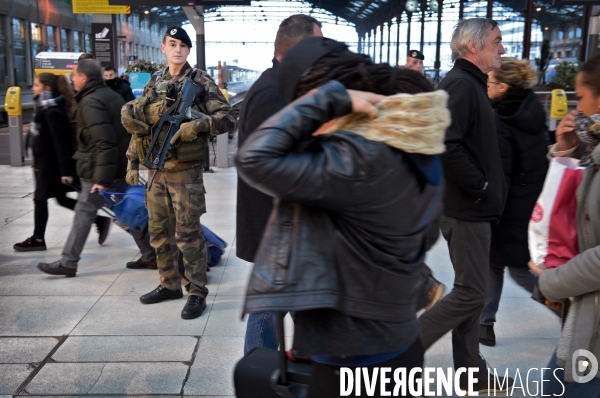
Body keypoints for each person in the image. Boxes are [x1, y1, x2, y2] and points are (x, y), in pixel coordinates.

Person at [237, 36, 447, 397]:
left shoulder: (356, 159)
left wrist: (328, 98)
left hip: (355, 363)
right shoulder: (414, 142)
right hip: (396, 343)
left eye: (302, 101)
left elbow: (253, 158)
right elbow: (426, 236)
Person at [417, 18, 512, 393]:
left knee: (471, 289)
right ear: (472, 47)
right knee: (472, 291)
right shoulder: (460, 85)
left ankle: (472, 372)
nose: (502, 49)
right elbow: (443, 140)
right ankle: (403, 348)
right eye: (496, 42)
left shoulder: (469, 84)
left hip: (473, 205)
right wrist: (480, 184)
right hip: (466, 206)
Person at [120, 26, 236, 319]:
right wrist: (132, 162)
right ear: (163, 48)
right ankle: (169, 283)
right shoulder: (155, 81)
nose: (177, 49)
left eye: (182, 45)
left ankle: (196, 292)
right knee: (159, 233)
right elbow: (141, 126)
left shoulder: (200, 81)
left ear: (188, 50)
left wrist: (198, 125)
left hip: (185, 174)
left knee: (188, 235)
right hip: (156, 170)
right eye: (172, 44)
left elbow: (228, 119)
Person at [237, 14, 322, 355]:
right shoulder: (273, 92)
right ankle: (257, 372)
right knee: (269, 309)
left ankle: (305, 366)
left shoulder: (287, 86)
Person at [36, 59, 153, 276]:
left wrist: (101, 178)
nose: (72, 79)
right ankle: (150, 254)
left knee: (84, 211)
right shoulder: (110, 95)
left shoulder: (91, 102)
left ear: (84, 77)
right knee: (125, 212)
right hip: (116, 166)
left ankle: (69, 261)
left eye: (75, 75)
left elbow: (104, 142)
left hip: (100, 170)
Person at [529, 54, 600, 397]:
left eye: (581, 97)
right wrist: (566, 153)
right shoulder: (594, 150)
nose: (578, 108)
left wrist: (551, 282)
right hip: (587, 315)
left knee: (558, 385)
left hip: (592, 326)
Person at [478, 57, 549, 347]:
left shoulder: (501, 120)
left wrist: (489, 205)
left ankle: (565, 306)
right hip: (532, 198)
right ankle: (485, 324)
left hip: (510, 206)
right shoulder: (531, 108)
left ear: (503, 86)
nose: (486, 87)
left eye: (489, 82)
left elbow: (501, 173)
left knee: (519, 269)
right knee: (494, 264)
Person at [13, 73, 98, 251]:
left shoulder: (52, 111)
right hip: (46, 163)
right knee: (59, 198)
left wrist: (66, 171)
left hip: (51, 165)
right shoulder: (45, 107)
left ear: (47, 88)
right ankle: (99, 219)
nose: (33, 88)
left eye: (36, 85)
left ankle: (38, 238)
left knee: (40, 199)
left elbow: (61, 144)